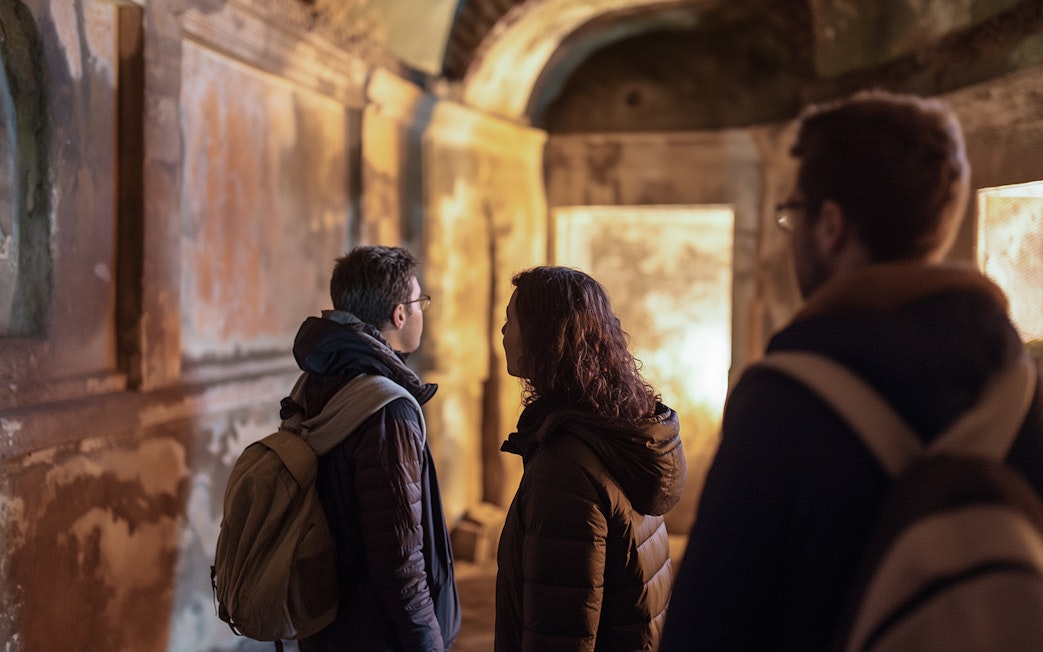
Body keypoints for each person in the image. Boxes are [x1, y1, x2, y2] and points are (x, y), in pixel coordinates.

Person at [661, 90, 1043, 650]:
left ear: (832, 225)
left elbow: (711, 627)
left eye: (793, 215)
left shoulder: (781, 406)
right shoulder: (1023, 389)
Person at [495, 265, 687, 652]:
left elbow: (561, 632)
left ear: (543, 336)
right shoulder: (620, 432)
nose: (502, 332)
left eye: (510, 320)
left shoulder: (565, 470)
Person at [288, 245, 460, 651]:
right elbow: (399, 556)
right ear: (400, 314)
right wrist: (427, 643)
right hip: (378, 633)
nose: (422, 312)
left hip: (328, 622)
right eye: (420, 302)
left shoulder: (319, 379)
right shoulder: (387, 409)